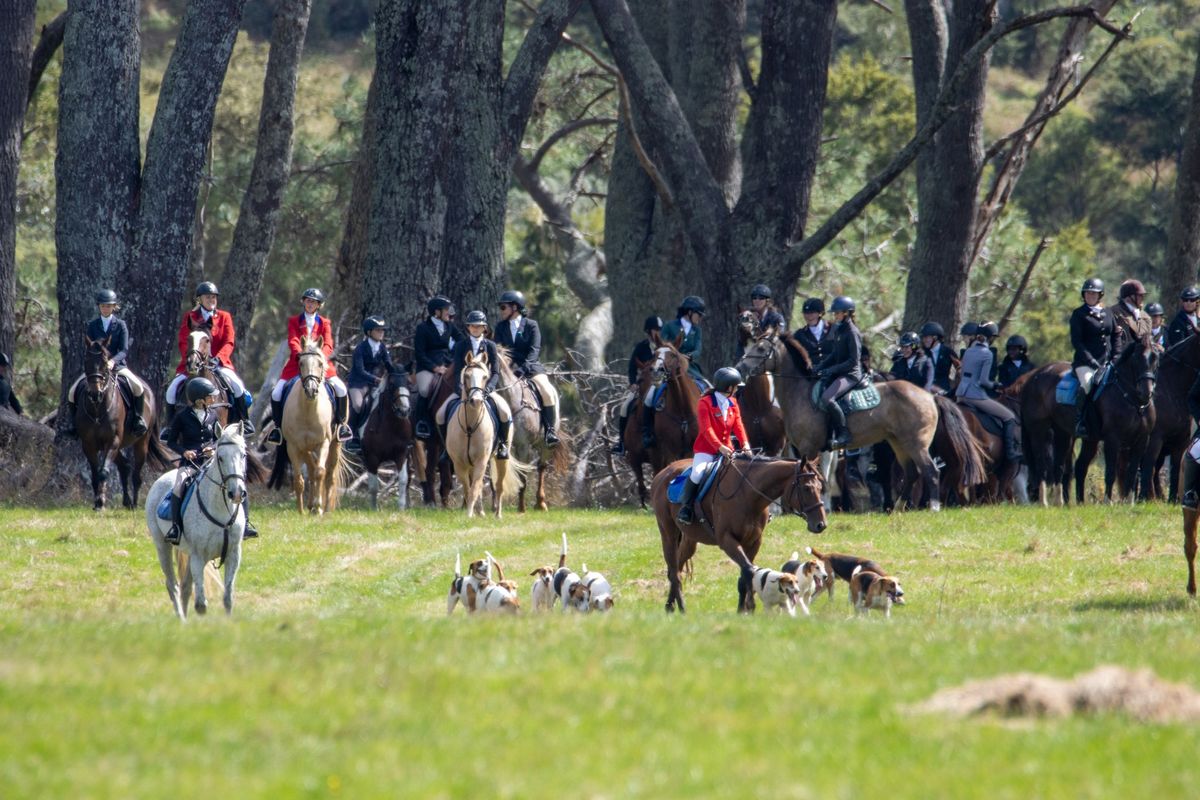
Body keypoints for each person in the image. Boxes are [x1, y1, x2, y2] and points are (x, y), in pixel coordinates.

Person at [164, 377, 258, 544]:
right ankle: (176, 528)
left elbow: (217, 438)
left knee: (236, 481)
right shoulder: (181, 417)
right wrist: (184, 452)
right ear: (200, 400)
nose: (214, 398)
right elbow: (171, 441)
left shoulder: (213, 414)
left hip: (210, 461)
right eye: (210, 396)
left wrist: (213, 448)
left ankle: (246, 525)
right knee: (179, 485)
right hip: (190, 463)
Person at [265, 288, 352, 446]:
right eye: (308, 300)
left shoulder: (325, 323)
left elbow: (328, 344)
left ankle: (341, 426)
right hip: (297, 364)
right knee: (276, 392)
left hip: (320, 365)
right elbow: (293, 340)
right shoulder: (294, 321)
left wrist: (319, 357)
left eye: (314, 302)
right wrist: (300, 354)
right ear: (303, 302)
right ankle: (277, 429)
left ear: (319, 305)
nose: (310, 304)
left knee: (341, 389)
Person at [165, 282, 254, 434]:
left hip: (218, 364)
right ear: (199, 299)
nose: (212, 300)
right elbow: (183, 341)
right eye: (208, 297)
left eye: (214, 297)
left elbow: (229, 341)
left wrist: (218, 358)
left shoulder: (224, 317)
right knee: (172, 389)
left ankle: (244, 421)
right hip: (193, 364)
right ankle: (169, 427)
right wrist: (192, 358)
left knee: (238, 386)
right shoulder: (190, 317)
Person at [64, 289, 148, 437]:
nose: (105, 309)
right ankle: (74, 425)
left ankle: (138, 419)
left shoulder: (121, 325)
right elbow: (89, 348)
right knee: (72, 392)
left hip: (117, 366)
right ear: (99, 307)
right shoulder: (92, 325)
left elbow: (124, 350)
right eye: (103, 306)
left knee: (138, 387)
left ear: (114, 307)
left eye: (108, 306)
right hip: (97, 369)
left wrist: (112, 362)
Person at [675, 367, 751, 526]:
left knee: (746, 471)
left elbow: (738, 425)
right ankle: (686, 508)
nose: (737, 390)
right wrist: (719, 447)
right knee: (697, 473)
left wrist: (744, 444)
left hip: (728, 450)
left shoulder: (733, 402)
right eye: (736, 387)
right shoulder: (705, 403)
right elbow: (706, 429)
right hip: (706, 450)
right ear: (728, 388)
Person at [436, 310, 513, 459]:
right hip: (464, 389)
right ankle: (447, 447)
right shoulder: (461, 345)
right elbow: (458, 371)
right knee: (440, 415)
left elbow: (495, 372)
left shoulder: (490, 346)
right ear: (468, 328)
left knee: (504, 411)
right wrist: (460, 390)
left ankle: (503, 444)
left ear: (484, 328)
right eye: (472, 326)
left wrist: (489, 389)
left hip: (485, 389)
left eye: (478, 326)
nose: (475, 329)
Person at [493, 289, 560, 446]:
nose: (500, 311)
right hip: (508, 369)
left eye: (503, 307)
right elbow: (499, 350)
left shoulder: (531, 325)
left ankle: (549, 430)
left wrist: (523, 368)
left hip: (531, 368)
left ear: (515, 307)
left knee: (547, 391)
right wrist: (508, 368)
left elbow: (534, 350)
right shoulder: (500, 327)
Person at [957, 324, 1022, 464]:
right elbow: (983, 381)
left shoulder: (968, 351)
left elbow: (963, 374)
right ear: (990, 337)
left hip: (961, 394)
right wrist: (997, 385)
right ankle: (1010, 453)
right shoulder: (987, 354)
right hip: (975, 396)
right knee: (1009, 416)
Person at [813, 296, 862, 450]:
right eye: (834, 314)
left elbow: (853, 361)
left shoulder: (852, 332)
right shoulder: (839, 329)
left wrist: (831, 370)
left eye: (837, 313)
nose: (835, 316)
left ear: (847, 313)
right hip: (840, 372)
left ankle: (844, 434)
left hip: (851, 375)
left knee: (827, 398)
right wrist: (820, 366)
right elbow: (834, 354)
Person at [347, 316, 403, 446]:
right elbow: (360, 371)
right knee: (358, 405)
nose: (381, 333)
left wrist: (397, 373)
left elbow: (388, 364)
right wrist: (376, 379)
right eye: (378, 330)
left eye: (383, 330)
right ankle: (352, 435)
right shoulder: (360, 348)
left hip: (374, 383)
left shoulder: (382, 347)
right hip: (358, 383)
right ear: (369, 332)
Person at [612, 315, 663, 456]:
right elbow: (631, 367)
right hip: (644, 385)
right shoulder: (641, 347)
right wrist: (633, 383)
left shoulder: (664, 347)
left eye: (659, 329)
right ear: (648, 331)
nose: (657, 333)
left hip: (661, 385)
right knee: (624, 407)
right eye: (655, 330)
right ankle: (621, 444)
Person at [1070, 277, 1113, 438]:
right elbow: (1077, 342)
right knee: (1088, 384)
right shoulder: (1079, 314)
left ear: (1099, 295)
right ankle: (1079, 421)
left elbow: (1115, 335)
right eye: (1087, 293)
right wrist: (1092, 361)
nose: (1090, 296)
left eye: (1093, 294)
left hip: (1108, 362)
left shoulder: (1108, 312)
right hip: (1085, 363)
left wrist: (1116, 355)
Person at [412, 295, 457, 441]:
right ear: (436, 312)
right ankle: (422, 422)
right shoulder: (423, 328)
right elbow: (419, 353)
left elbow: (463, 340)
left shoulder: (449, 326)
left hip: (447, 365)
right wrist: (435, 368)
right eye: (445, 310)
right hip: (426, 367)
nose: (448, 313)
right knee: (425, 390)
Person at [660, 296, 708, 387]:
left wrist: (689, 356)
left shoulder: (697, 330)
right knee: (653, 391)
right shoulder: (669, 326)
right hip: (669, 366)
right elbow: (662, 346)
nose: (700, 318)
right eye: (699, 315)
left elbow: (698, 350)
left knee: (705, 386)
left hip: (690, 367)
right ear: (690, 312)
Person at [1108, 279, 1152, 357]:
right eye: (1139, 295)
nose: (1142, 298)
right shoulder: (1113, 313)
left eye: (1143, 295)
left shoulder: (1145, 316)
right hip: (1120, 360)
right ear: (1128, 297)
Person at [920, 321, 955, 395]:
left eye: (926, 337)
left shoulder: (947, 352)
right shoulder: (922, 352)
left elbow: (960, 368)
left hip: (943, 390)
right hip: (924, 390)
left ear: (935, 338)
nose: (924, 340)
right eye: (923, 338)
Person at [794, 297, 829, 364]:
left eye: (812, 313)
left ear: (820, 313)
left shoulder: (834, 329)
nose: (808, 316)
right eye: (806, 313)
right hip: (810, 373)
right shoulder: (799, 335)